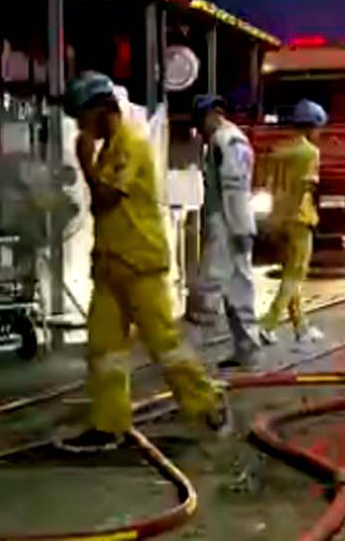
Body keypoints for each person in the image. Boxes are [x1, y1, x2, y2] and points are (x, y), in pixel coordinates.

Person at [60, 72, 224, 453]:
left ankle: (207, 403)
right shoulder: (109, 148)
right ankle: (108, 424)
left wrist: (84, 164)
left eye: (83, 117)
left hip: (140, 263)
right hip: (110, 265)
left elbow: (106, 199)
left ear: (102, 109)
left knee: (164, 344)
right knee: (104, 352)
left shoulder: (130, 144)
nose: (81, 127)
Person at [187, 95, 262, 368]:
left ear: (213, 114)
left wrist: (239, 229)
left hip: (228, 224)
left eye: (201, 122)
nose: (200, 130)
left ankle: (189, 356)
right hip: (231, 222)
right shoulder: (229, 140)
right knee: (237, 291)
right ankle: (247, 349)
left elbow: (235, 187)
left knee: (209, 289)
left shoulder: (227, 141)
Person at [259, 99, 327, 345]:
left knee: (289, 272)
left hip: (278, 218)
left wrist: (274, 218)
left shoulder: (279, 151)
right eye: (319, 128)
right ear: (312, 126)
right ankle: (268, 323)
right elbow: (306, 187)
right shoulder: (310, 153)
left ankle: (301, 327)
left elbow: (265, 183)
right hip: (299, 218)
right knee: (295, 275)